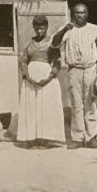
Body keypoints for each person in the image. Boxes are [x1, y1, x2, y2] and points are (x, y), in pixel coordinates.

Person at [58, 3, 97, 148]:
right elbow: (54, 43)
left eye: (82, 13)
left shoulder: (94, 29)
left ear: (87, 14)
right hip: (73, 69)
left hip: (90, 69)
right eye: (76, 13)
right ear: (72, 14)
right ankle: (77, 138)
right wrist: (64, 29)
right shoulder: (68, 29)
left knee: (91, 103)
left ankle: (91, 137)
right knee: (76, 104)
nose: (79, 15)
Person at [16, 15, 65, 145]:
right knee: (32, 106)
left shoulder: (52, 43)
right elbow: (23, 61)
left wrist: (49, 77)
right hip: (31, 79)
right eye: (37, 28)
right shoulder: (28, 43)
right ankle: (32, 137)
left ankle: (45, 139)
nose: (39, 31)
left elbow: (57, 63)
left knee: (46, 107)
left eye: (42, 28)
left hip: (47, 78)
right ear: (33, 28)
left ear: (47, 27)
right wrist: (27, 76)